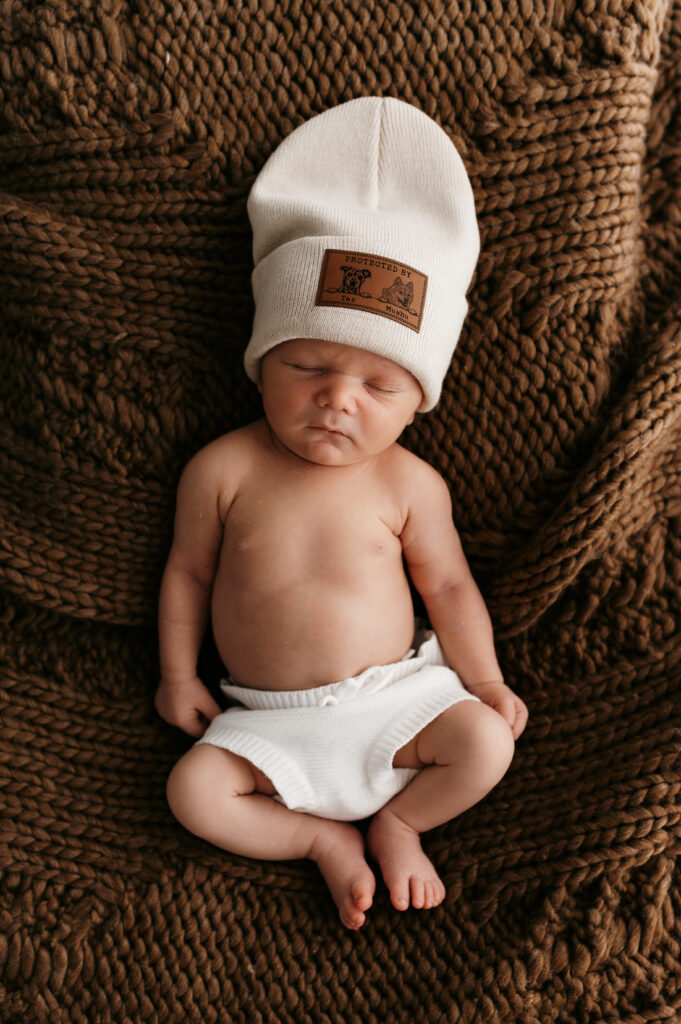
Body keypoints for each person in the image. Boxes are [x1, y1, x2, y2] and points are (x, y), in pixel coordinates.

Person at [155, 97, 529, 930]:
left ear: (415, 404)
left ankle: (401, 822)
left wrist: (482, 681)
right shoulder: (222, 468)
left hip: (394, 704)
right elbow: (187, 573)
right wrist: (178, 674)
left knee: (484, 744)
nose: (336, 399)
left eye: (377, 385)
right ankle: (318, 841)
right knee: (194, 792)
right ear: (261, 363)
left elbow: (451, 590)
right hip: (267, 723)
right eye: (307, 364)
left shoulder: (411, 484)